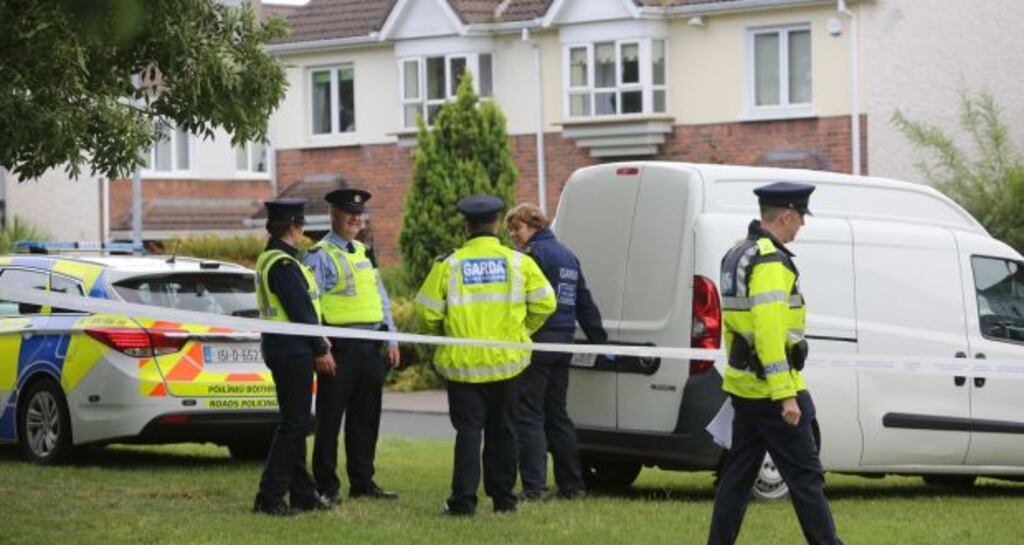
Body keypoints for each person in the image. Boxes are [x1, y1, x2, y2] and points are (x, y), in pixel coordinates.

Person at [707, 182, 844, 545]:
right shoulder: (770, 261)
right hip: (772, 389)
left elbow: (737, 327)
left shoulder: (739, 252)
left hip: (744, 386)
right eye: (800, 217)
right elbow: (768, 334)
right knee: (806, 478)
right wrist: (786, 395)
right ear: (786, 214)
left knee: (737, 476)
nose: (802, 224)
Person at [414, 195, 557, 516]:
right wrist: (521, 331)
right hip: (509, 364)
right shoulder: (519, 262)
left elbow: (425, 313)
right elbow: (547, 303)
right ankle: (504, 500)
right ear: (495, 225)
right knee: (504, 430)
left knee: (468, 433)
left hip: (463, 367)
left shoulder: (448, 264)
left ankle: (463, 502)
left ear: (466, 226)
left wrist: (446, 332)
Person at [303, 188, 401, 504]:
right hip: (339, 347)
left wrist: (392, 336)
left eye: (359, 213)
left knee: (366, 418)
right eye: (349, 212)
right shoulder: (319, 255)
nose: (355, 218)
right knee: (330, 421)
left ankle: (363, 481)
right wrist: (320, 347)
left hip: (371, 346)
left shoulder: (363, 251)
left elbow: (380, 297)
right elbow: (310, 304)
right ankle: (326, 486)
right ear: (333, 214)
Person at [504, 203, 607, 501]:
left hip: (539, 341)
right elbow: (584, 301)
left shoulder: (531, 257)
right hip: (564, 341)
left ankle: (534, 487)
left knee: (529, 414)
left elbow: (523, 301)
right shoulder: (568, 255)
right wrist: (600, 341)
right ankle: (572, 485)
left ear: (534, 225)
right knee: (557, 414)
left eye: (517, 228)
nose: (513, 235)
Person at [253, 198, 337, 516]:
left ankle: (302, 493)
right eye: (301, 226)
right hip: (292, 349)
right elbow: (301, 311)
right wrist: (321, 348)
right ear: (293, 226)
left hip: (284, 347)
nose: (303, 231)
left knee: (296, 422)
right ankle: (269, 496)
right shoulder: (283, 264)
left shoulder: (272, 258)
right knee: (294, 424)